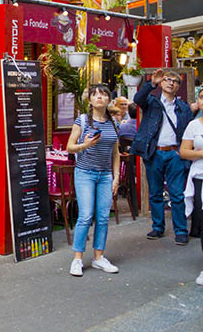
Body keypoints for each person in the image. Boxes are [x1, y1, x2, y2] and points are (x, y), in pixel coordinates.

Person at [132, 69, 195, 245]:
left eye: (175, 81)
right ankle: (158, 227)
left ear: (178, 86)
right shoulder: (152, 102)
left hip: (175, 153)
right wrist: (151, 83)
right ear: (162, 83)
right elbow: (138, 100)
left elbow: (187, 131)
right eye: (167, 79)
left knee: (177, 194)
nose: (171, 83)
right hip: (154, 152)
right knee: (155, 193)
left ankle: (181, 231)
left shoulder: (183, 107)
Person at [65, 84, 121, 277]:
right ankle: (77, 259)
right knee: (86, 215)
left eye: (103, 94)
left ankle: (99, 257)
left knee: (104, 217)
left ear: (108, 100)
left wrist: (116, 178)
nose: (99, 97)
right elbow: (70, 147)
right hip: (85, 173)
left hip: (105, 175)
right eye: (95, 95)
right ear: (89, 100)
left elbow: (116, 153)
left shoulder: (113, 123)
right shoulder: (82, 120)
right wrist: (85, 145)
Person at [181, 88, 203, 267]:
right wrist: (201, 154)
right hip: (200, 176)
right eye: (202, 97)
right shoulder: (193, 125)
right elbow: (184, 152)